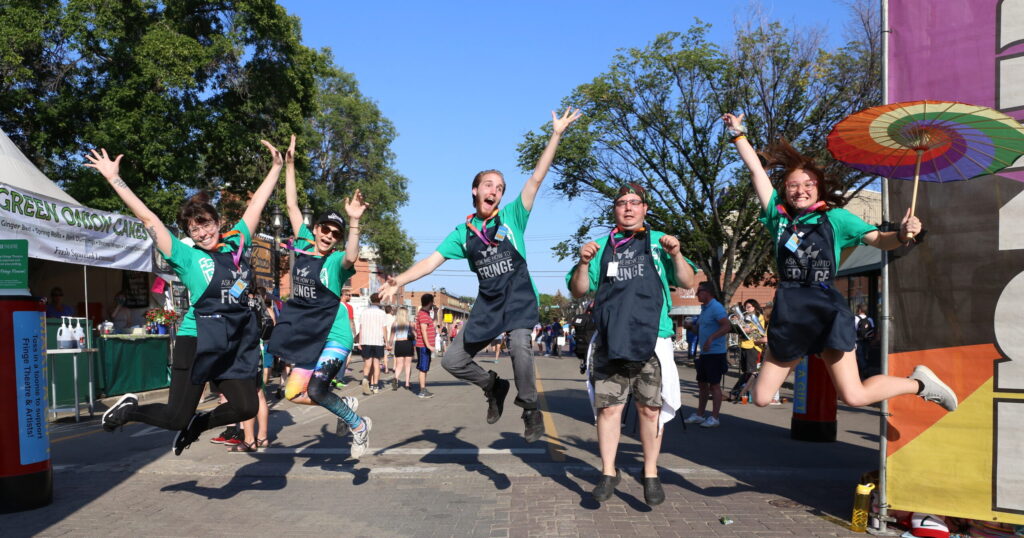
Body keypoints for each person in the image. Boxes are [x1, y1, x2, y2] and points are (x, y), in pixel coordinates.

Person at [722, 112, 957, 412]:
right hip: (790, 309)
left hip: (825, 307)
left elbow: (880, 241)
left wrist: (901, 233)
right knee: (761, 397)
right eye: (794, 185)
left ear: (818, 187)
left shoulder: (836, 218)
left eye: (808, 184)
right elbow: (757, 171)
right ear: (785, 189)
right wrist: (737, 134)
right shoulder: (776, 217)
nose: (801, 190)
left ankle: (919, 383)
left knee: (854, 396)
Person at [380, 107, 581, 442]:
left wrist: (556, 134)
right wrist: (398, 280)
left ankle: (530, 409)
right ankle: (493, 386)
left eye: (500, 187)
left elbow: (536, 178)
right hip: (488, 305)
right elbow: (430, 262)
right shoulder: (463, 232)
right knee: (453, 361)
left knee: (519, 345)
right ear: (474, 191)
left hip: (517, 300)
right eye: (488, 184)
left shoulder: (514, 217)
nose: (495, 190)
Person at [89, 141, 278, 455]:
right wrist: (114, 179)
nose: (202, 232)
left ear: (217, 221)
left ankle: (199, 425)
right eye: (195, 228)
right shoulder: (186, 256)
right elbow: (150, 220)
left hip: (232, 343)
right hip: (198, 340)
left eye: (205, 223)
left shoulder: (238, 243)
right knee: (176, 417)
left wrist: (275, 168)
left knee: (245, 407)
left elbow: (257, 203)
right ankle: (129, 410)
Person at [568, 183, 697, 506]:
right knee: (608, 409)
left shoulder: (659, 243)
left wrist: (677, 254)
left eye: (634, 202)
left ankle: (650, 473)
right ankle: (608, 472)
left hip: (653, 339)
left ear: (645, 208)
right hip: (610, 340)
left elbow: (686, 281)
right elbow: (578, 291)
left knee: (650, 408)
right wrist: (583, 263)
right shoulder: (599, 247)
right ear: (615, 209)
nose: (628, 208)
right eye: (622, 203)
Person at [262, 136, 372, 457]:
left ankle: (359, 425)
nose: (328, 235)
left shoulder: (337, 262)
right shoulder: (304, 243)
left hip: (335, 335)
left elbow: (352, 256)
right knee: (294, 393)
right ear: (317, 228)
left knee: (317, 388)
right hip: (309, 334)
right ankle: (347, 405)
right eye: (326, 229)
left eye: (334, 234)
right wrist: (291, 165)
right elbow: (292, 205)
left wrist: (353, 222)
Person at [683, 282, 732, 428]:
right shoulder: (704, 309)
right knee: (702, 385)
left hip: (715, 353)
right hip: (705, 353)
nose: (697, 294)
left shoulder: (716, 307)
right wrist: (690, 327)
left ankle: (715, 418)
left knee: (714, 385)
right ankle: (699, 415)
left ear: (708, 292)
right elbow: (699, 332)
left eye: (699, 292)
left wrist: (711, 338)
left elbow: (727, 326)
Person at [729, 299, 767, 402]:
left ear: (754, 307)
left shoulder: (758, 317)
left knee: (750, 372)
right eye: (745, 307)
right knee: (746, 371)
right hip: (744, 345)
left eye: (749, 307)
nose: (746, 309)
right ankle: (743, 394)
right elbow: (739, 329)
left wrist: (747, 329)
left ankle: (739, 393)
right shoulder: (745, 317)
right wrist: (736, 323)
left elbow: (757, 333)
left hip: (753, 347)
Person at [357, 293, 390, 394]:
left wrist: (359, 342)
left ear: (370, 301)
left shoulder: (364, 312)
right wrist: (387, 341)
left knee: (367, 363)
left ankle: (365, 378)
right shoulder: (382, 313)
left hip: (366, 340)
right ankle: (375, 386)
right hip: (378, 341)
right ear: (380, 300)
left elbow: (361, 328)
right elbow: (384, 329)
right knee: (376, 364)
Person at [413, 294, 438, 398]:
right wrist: (428, 345)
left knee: (425, 368)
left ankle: (423, 388)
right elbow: (423, 331)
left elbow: (434, 324)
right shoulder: (423, 314)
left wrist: (436, 313)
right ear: (430, 302)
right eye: (433, 302)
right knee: (423, 368)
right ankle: (422, 390)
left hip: (425, 346)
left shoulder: (426, 314)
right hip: (423, 346)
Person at [389, 307, 415, 391]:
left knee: (399, 365)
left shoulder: (394, 323)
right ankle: (407, 383)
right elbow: (415, 335)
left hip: (398, 344)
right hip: (407, 343)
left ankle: (395, 378)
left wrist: (389, 345)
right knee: (408, 365)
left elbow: (391, 337)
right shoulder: (409, 323)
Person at [854, 303, 876, 377]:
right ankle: (865, 370)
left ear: (859, 310)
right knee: (865, 356)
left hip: (858, 340)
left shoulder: (855, 318)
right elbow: (872, 330)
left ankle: (864, 371)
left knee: (860, 356)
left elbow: (853, 329)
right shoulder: (870, 319)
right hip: (867, 341)